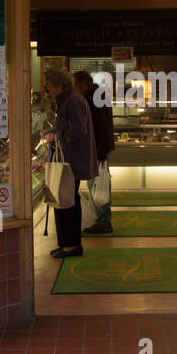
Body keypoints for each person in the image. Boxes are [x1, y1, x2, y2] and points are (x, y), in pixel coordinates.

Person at [42, 68, 98, 258]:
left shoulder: (72, 101)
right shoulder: (70, 99)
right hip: (69, 160)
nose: (47, 91)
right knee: (66, 200)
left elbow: (78, 131)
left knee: (67, 201)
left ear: (59, 85)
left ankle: (72, 245)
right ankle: (67, 243)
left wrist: (55, 136)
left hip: (70, 161)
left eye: (49, 86)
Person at [74, 70, 115, 234]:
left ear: (84, 85)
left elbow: (100, 126)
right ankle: (102, 219)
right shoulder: (97, 95)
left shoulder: (93, 98)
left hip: (97, 149)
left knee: (98, 186)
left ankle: (103, 220)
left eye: (75, 86)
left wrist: (100, 153)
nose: (74, 90)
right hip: (98, 148)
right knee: (98, 185)